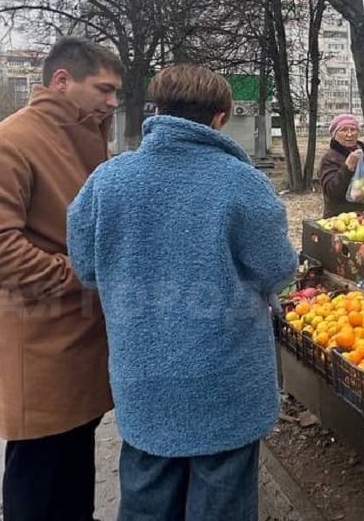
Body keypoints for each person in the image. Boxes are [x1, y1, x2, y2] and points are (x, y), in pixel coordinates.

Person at [66, 64, 298, 521]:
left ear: (158, 109)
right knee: (222, 501)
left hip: (144, 379)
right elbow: (277, 269)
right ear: (219, 117)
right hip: (226, 384)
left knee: (147, 497)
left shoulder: (108, 181)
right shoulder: (242, 182)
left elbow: (87, 268)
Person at [0, 37, 123, 521]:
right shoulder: (7, 144)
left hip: (74, 340)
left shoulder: (80, 135)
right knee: (39, 480)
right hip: (40, 344)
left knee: (71, 474)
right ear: (62, 81)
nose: (112, 101)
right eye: (104, 89)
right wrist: (79, 274)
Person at [318, 113, 364, 217]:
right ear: (334, 134)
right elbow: (332, 192)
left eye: (353, 130)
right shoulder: (330, 158)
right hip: (345, 221)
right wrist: (347, 168)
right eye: (344, 130)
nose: (349, 134)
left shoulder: (363, 154)